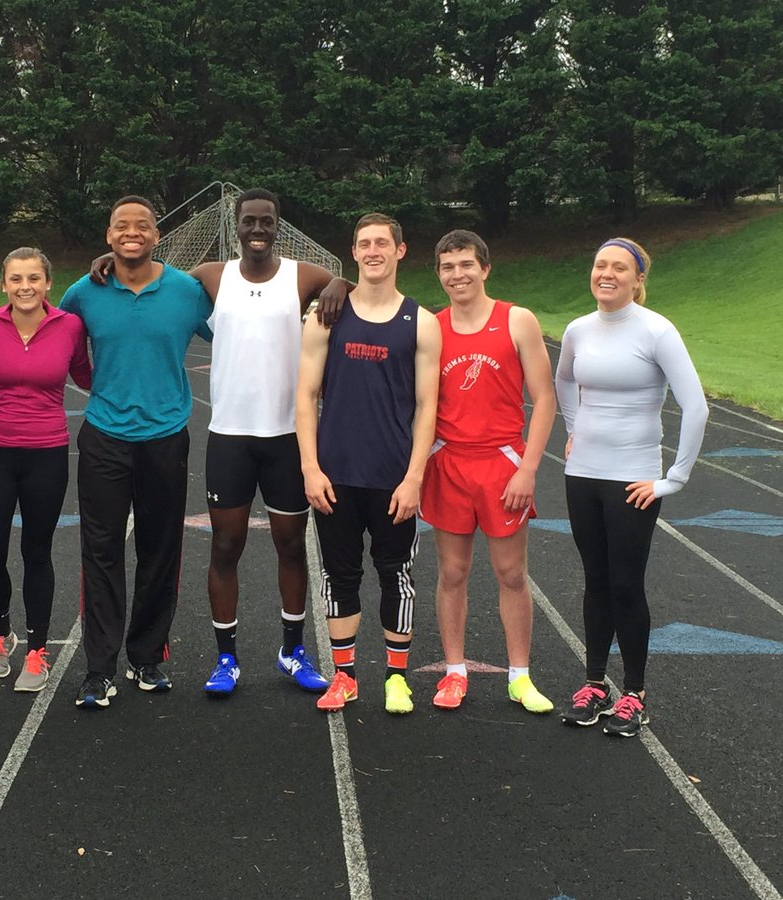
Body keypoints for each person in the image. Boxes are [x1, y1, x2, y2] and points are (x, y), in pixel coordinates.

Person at [94, 188, 336, 697]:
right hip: (228, 436)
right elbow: (144, 268)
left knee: (291, 545)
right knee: (226, 545)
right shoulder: (210, 276)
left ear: (277, 224)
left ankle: (292, 650)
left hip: (288, 437)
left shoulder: (304, 276)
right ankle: (226, 658)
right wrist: (106, 260)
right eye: (248, 221)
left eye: (266, 221)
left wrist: (339, 284)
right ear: (236, 224)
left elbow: (356, 287)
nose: (257, 229)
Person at [60, 195, 213, 709]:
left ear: (156, 235)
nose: (132, 233)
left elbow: (238, 333)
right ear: (108, 237)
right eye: (121, 226)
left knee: (160, 548)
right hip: (104, 434)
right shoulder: (84, 292)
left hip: (167, 435)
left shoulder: (188, 292)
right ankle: (98, 668)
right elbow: (53, 339)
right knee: (99, 551)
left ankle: (146, 657)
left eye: (142, 225)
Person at [556, 237, 707, 737]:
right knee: (595, 581)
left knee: (625, 584)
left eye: (620, 267)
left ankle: (635, 694)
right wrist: (574, 428)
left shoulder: (657, 331)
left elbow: (696, 407)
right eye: (600, 264)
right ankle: (595, 684)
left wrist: (673, 479)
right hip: (582, 475)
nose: (607, 273)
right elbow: (563, 382)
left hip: (633, 479)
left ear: (638, 278)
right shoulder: (579, 329)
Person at [295, 213, 441, 714]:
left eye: (383, 242)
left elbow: (428, 406)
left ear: (401, 251)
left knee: (396, 573)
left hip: (393, 476)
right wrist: (311, 469)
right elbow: (306, 395)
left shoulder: (420, 321)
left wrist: (415, 476)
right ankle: (345, 675)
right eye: (364, 243)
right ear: (353, 252)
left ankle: (397, 677)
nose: (373, 250)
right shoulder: (327, 317)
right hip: (335, 475)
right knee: (339, 575)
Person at [419, 229, 557, 714]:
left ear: (485, 269)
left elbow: (545, 399)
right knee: (452, 571)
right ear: (438, 273)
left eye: (466, 265)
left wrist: (529, 469)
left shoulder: (516, 320)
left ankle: (520, 676)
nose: (457, 275)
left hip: (503, 463)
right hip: (450, 462)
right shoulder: (432, 327)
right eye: (448, 267)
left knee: (511, 573)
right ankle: (454, 672)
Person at [0, 248, 92, 691]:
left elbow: (88, 377)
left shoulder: (70, 326)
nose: (26, 287)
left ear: (48, 284)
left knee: (36, 553)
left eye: (34, 278)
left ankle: (38, 650)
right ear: (3, 284)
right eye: (16, 279)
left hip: (47, 452)